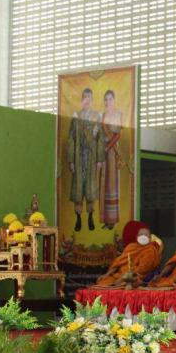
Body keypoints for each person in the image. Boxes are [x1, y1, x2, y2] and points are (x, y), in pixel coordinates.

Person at [66, 87, 103, 232]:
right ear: (82, 100)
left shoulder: (96, 117)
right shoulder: (76, 116)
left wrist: (99, 159)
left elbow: (100, 139)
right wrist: (71, 160)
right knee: (78, 190)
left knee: (90, 190)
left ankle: (90, 217)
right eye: (84, 97)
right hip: (78, 157)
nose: (87, 100)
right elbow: (71, 138)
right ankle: (78, 219)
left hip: (91, 158)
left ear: (92, 100)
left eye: (89, 97)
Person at [94, 222, 162, 288]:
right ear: (137, 237)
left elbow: (142, 269)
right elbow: (118, 262)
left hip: (136, 276)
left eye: (146, 235)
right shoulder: (131, 247)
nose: (143, 236)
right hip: (119, 275)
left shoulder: (150, 250)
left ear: (150, 238)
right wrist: (106, 274)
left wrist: (124, 278)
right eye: (141, 234)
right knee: (103, 282)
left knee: (127, 283)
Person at [99, 90, 122, 230]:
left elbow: (118, 135)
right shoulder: (103, 116)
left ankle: (112, 220)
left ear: (114, 100)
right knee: (104, 184)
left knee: (112, 184)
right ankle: (106, 219)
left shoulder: (118, 114)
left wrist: (108, 148)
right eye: (106, 99)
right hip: (104, 152)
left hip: (113, 152)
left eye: (110, 99)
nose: (108, 102)